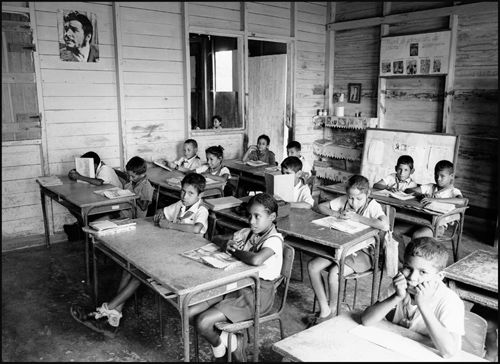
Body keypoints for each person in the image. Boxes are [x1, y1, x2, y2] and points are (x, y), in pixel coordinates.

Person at [189, 193, 283, 362]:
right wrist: (227, 244)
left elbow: (256, 259)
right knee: (189, 312)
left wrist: (235, 252)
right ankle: (229, 345)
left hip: (257, 295)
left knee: (203, 322)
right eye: (249, 216)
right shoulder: (248, 232)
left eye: (257, 216)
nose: (251, 221)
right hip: (235, 285)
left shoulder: (274, 240)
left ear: (272, 217)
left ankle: (222, 354)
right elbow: (215, 238)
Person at [361, 237, 464, 358]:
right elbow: (366, 320)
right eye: (408, 268)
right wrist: (396, 296)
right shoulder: (400, 286)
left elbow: (449, 352)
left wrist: (423, 305)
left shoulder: (450, 301)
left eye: (423, 272)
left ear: (439, 276)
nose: (412, 277)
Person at [307, 175, 389, 325]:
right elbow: (320, 206)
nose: (354, 202)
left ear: (368, 194)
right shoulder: (344, 200)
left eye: (359, 199)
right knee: (313, 266)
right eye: (351, 198)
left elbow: (384, 225)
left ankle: (333, 311)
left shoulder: (373, 206)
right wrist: (337, 214)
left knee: (334, 273)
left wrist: (357, 218)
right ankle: (325, 309)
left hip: (363, 253)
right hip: (341, 246)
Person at [64, 151, 122, 240]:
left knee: (82, 211)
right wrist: (73, 173)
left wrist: (79, 177)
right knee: (75, 207)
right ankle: (82, 231)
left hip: (115, 203)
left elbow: (99, 182)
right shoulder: (97, 168)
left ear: (94, 165)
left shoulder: (105, 169)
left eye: (86, 165)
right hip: (104, 198)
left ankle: (85, 233)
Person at [405, 160, 466, 239]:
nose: (438, 178)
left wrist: (434, 200)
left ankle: (417, 251)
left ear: (451, 176)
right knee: (395, 230)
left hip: (437, 226)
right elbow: (408, 190)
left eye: (442, 176)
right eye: (436, 175)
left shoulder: (453, 191)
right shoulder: (430, 187)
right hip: (420, 220)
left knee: (417, 235)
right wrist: (421, 195)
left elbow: (462, 201)